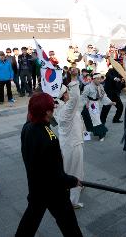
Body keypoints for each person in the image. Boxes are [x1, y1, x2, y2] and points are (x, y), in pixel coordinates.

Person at [15, 92, 83, 237]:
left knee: (29, 223)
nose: (55, 109)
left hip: (36, 188)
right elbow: (55, 174)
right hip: (54, 191)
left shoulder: (28, 127)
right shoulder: (47, 139)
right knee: (69, 225)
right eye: (52, 107)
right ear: (47, 112)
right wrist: (73, 180)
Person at [53, 70, 85, 209]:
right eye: (67, 92)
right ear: (64, 95)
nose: (69, 94)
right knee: (74, 171)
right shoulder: (65, 110)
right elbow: (76, 98)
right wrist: (73, 79)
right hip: (72, 145)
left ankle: (78, 185)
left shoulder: (59, 107)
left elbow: (76, 104)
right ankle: (73, 201)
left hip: (68, 144)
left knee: (72, 169)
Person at [80, 73, 115, 141]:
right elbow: (83, 96)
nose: (99, 80)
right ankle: (93, 132)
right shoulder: (88, 87)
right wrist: (85, 103)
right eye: (98, 79)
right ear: (94, 79)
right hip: (88, 104)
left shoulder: (100, 87)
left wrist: (110, 102)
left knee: (96, 119)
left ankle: (101, 134)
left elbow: (104, 96)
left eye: (100, 79)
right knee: (88, 119)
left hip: (94, 104)